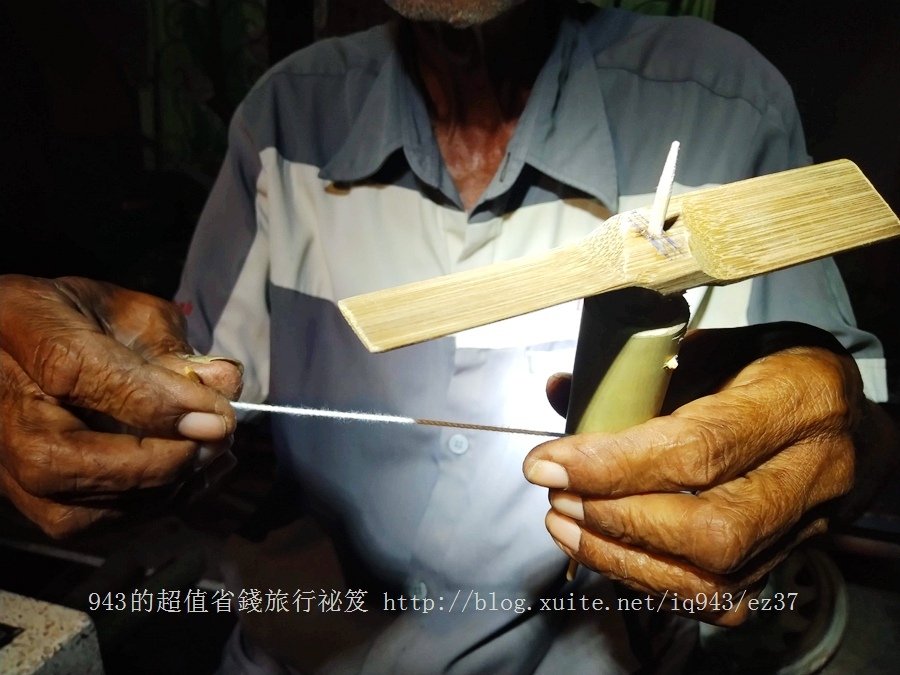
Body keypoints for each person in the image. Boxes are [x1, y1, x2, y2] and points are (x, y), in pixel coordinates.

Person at [0, 0, 896, 672]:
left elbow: (849, 424)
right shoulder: (285, 118)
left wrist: (838, 432)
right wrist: (104, 416)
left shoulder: (721, 101)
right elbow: (199, 414)